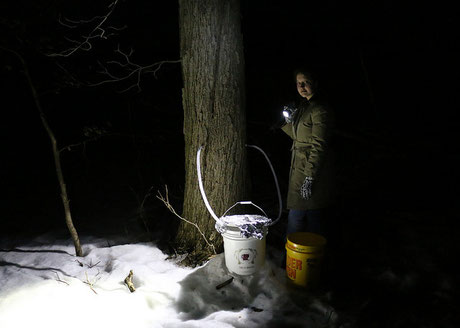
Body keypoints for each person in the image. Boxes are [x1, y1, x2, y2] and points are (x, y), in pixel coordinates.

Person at [281, 68, 336, 240]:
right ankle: (293, 260)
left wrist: (310, 177)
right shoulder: (304, 107)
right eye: (299, 83)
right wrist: (288, 121)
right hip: (299, 169)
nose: (302, 86)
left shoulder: (320, 110)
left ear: (315, 84)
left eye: (306, 82)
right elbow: (298, 138)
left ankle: (311, 261)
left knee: (312, 220)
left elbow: (319, 145)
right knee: (296, 217)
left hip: (311, 170)